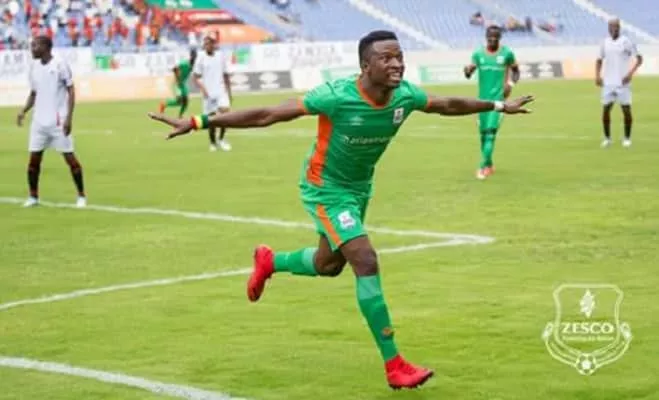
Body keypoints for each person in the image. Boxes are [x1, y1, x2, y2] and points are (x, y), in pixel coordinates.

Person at [149, 30, 533, 389]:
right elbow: (269, 113)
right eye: (387, 59)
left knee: (329, 264)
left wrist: (500, 105)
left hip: (359, 190)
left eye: (400, 57)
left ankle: (271, 261)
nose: (397, 64)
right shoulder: (335, 96)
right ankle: (395, 365)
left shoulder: (404, 96)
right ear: (366, 66)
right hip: (326, 188)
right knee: (365, 259)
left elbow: (447, 104)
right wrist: (198, 121)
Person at [17, 35, 86, 208]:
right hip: (39, 123)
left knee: (70, 159)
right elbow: (34, 93)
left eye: (35, 46)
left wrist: (68, 118)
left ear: (46, 47)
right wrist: (23, 111)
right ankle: (33, 197)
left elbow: (71, 91)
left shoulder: (60, 65)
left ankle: (81, 196)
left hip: (58, 123)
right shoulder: (33, 67)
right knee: (34, 161)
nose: (32, 49)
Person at [464, 25, 520, 179]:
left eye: (496, 37)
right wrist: (467, 71)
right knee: (483, 135)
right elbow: (469, 73)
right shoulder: (478, 54)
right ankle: (489, 164)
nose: (493, 40)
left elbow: (516, 71)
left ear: (500, 38)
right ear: (486, 37)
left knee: (490, 134)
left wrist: (510, 84)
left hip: (499, 101)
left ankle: (482, 167)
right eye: (490, 37)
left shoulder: (507, 53)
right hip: (481, 102)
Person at [596, 18, 643, 148]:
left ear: (619, 27)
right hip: (608, 82)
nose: (613, 29)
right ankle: (607, 139)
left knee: (626, 110)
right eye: (610, 26)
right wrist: (597, 76)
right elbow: (599, 60)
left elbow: (639, 59)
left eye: (615, 26)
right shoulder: (605, 42)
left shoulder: (626, 42)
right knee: (606, 109)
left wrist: (630, 74)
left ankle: (627, 138)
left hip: (623, 82)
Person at [192, 34, 233, 152]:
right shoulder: (201, 57)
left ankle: (222, 139)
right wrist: (203, 89)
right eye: (205, 44)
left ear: (214, 44)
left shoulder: (220, 56)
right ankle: (213, 143)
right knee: (211, 121)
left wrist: (229, 92)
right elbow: (195, 77)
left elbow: (225, 75)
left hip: (221, 91)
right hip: (208, 94)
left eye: (209, 43)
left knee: (225, 116)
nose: (207, 46)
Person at [158, 48, 197, 117]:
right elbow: (174, 68)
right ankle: (164, 104)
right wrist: (177, 77)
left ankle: (180, 116)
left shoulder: (193, 65)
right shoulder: (184, 63)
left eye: (195, 56)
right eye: (193, 56)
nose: (194, 58)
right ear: (190, 56)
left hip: (183, 84)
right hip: (177, 84)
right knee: (179, 99)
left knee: (186, 101)